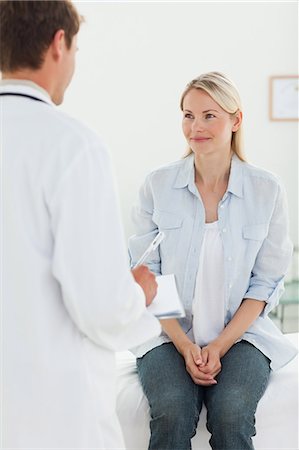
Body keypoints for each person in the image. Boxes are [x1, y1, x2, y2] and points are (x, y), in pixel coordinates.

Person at [0, 1, 161, 448]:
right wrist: (139, 292)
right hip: (53, 414)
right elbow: (101, 307)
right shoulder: (72, 147)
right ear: (58, 43)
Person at [128, 71, 298, 450]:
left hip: (242, 337)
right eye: (188, 115)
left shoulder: (266, 189)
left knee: (232, 412)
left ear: (236, 120)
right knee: (171, 410)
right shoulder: (157, 185)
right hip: (167, 335)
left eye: (209, 115)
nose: (196, 127)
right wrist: (186, 345)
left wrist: (218, 346)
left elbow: (265, 283)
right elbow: (146, 275)